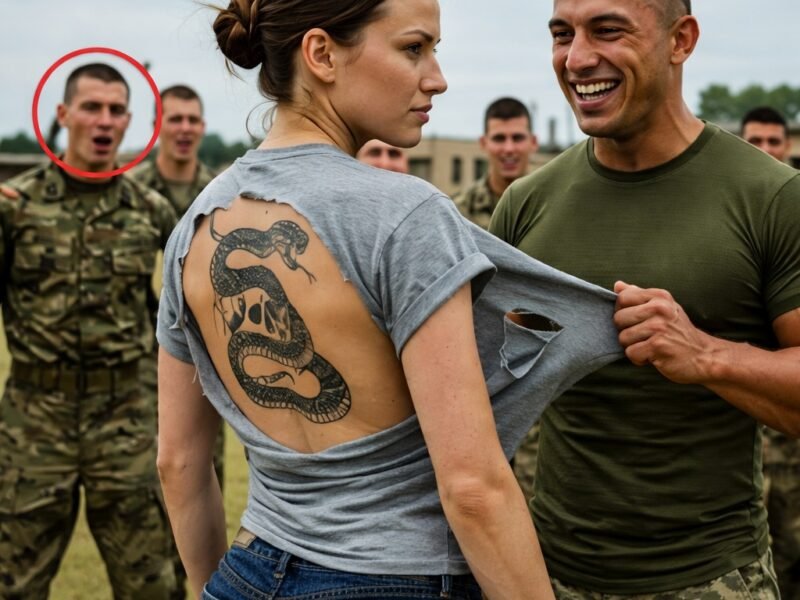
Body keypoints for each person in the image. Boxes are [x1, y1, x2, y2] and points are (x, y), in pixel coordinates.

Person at [155, 0, 623, 598]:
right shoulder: (406, 215)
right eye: (413, 49)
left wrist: (216, 587)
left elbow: (179, 463)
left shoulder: (193, 230)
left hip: (245, 575)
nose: (437, 78)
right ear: (321, 54)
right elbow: (473, 489)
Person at [490, 0, 800, 597]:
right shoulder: (526, 205)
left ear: (680, 40)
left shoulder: (772, 197)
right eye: (562, 34)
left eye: (608, 30)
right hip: (549, 576)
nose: (577, 59)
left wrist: (706, 355)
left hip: (712, 577)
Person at [0, 63, 178, 598]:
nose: (104, 120)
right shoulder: (16, 207)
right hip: (34, 420)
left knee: (150, 584)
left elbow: (190, 307)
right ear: (63, 114)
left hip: (124, 418)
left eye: (116, 110)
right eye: (91, 107)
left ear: (128, 121)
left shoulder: (150, 211)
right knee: (13, 583)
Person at [130, 83, 218, 600]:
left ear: (202, 127)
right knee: (145, 511)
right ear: (157, 126)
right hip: (143, 379)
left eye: (192, 119)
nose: (184, 128)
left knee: (201, 489)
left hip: (206, 378)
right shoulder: (133, 192)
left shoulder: (221, 196)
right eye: (175, 118)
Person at [741, 105, 800, 599]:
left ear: (788, 147)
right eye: (753, 141)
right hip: (746, 440)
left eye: (773, 141)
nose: (764, 151)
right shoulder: (730, 218)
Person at [453, 97, 538, 229]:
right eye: (499, 138)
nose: (509, 149)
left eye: (517, 138)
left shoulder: (552, 203)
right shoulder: (459, 212)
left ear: (533, 143)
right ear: (483, 143)